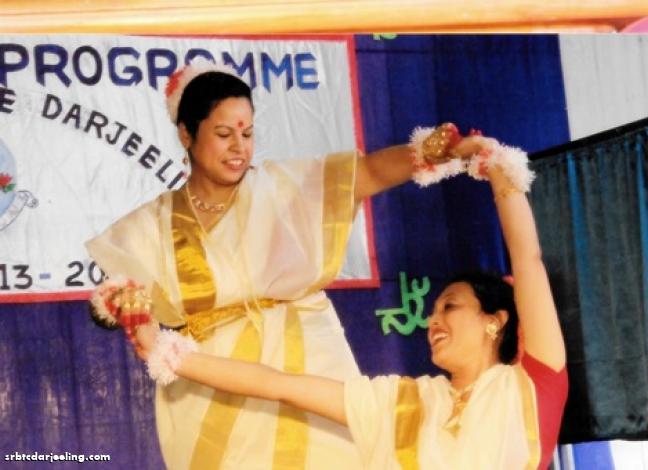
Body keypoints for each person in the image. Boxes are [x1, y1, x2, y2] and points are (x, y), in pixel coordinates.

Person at [86, 60, 473, 469]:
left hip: (310, 360)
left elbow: (369, 172)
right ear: (186, 134)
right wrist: (122, 303)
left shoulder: (281, 188)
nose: (239, 147)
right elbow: (112, 295)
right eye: (223, 134)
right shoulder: (152, 223)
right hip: (213, 386)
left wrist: (427, 152)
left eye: (247, 134)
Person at [127, 133, 569, 470]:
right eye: (433, 312)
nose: (432, 321)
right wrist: (165, 352)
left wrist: (494, 164)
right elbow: (278, 384)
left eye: (449, 306)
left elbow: (527, 259)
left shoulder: (531, 386)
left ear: (495, 320)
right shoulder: (404, 401)